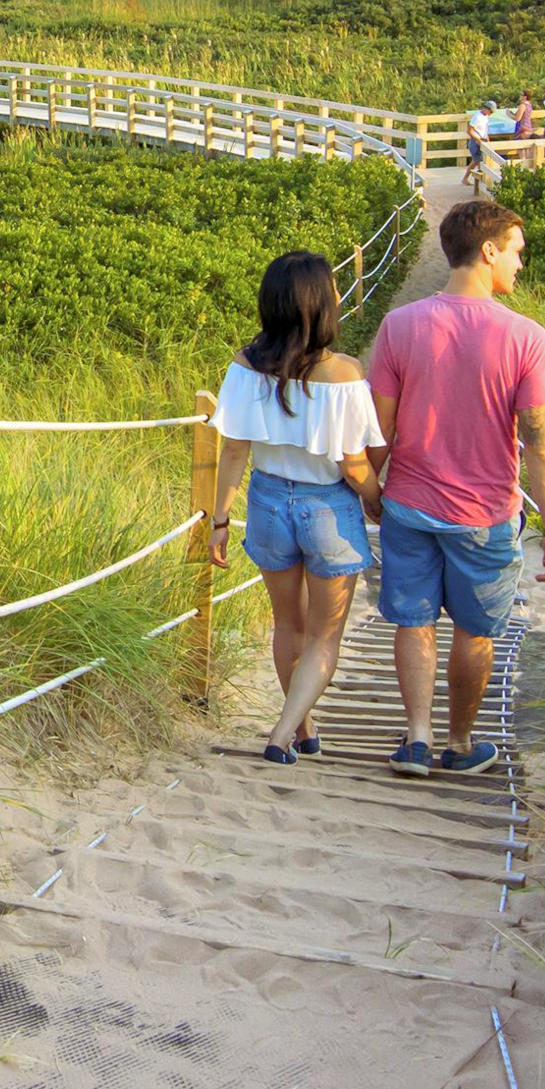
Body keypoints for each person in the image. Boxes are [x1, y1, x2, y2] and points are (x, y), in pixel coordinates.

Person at [362, 200, 545, 778]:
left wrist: (372, 491)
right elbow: (541, 442)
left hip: (409, 505)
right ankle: (459, 742)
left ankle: (417, 740)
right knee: (476, 630)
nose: (521, 264)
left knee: (414, 620)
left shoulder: (399, 324)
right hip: (485, 515)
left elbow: (381, 427)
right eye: (518, 251)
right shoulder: (527, 338)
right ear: (489, 250)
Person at [204, 251, 386, 766]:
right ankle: (284, 732)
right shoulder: (345, 373)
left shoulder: (243, 366)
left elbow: (234, 450)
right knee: (326, 636)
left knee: (289, 624)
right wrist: (376, 500)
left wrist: (220, 521)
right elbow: (354, 465)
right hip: (326, 507)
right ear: (323, 304)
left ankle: (305, 729)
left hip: (266, 500)